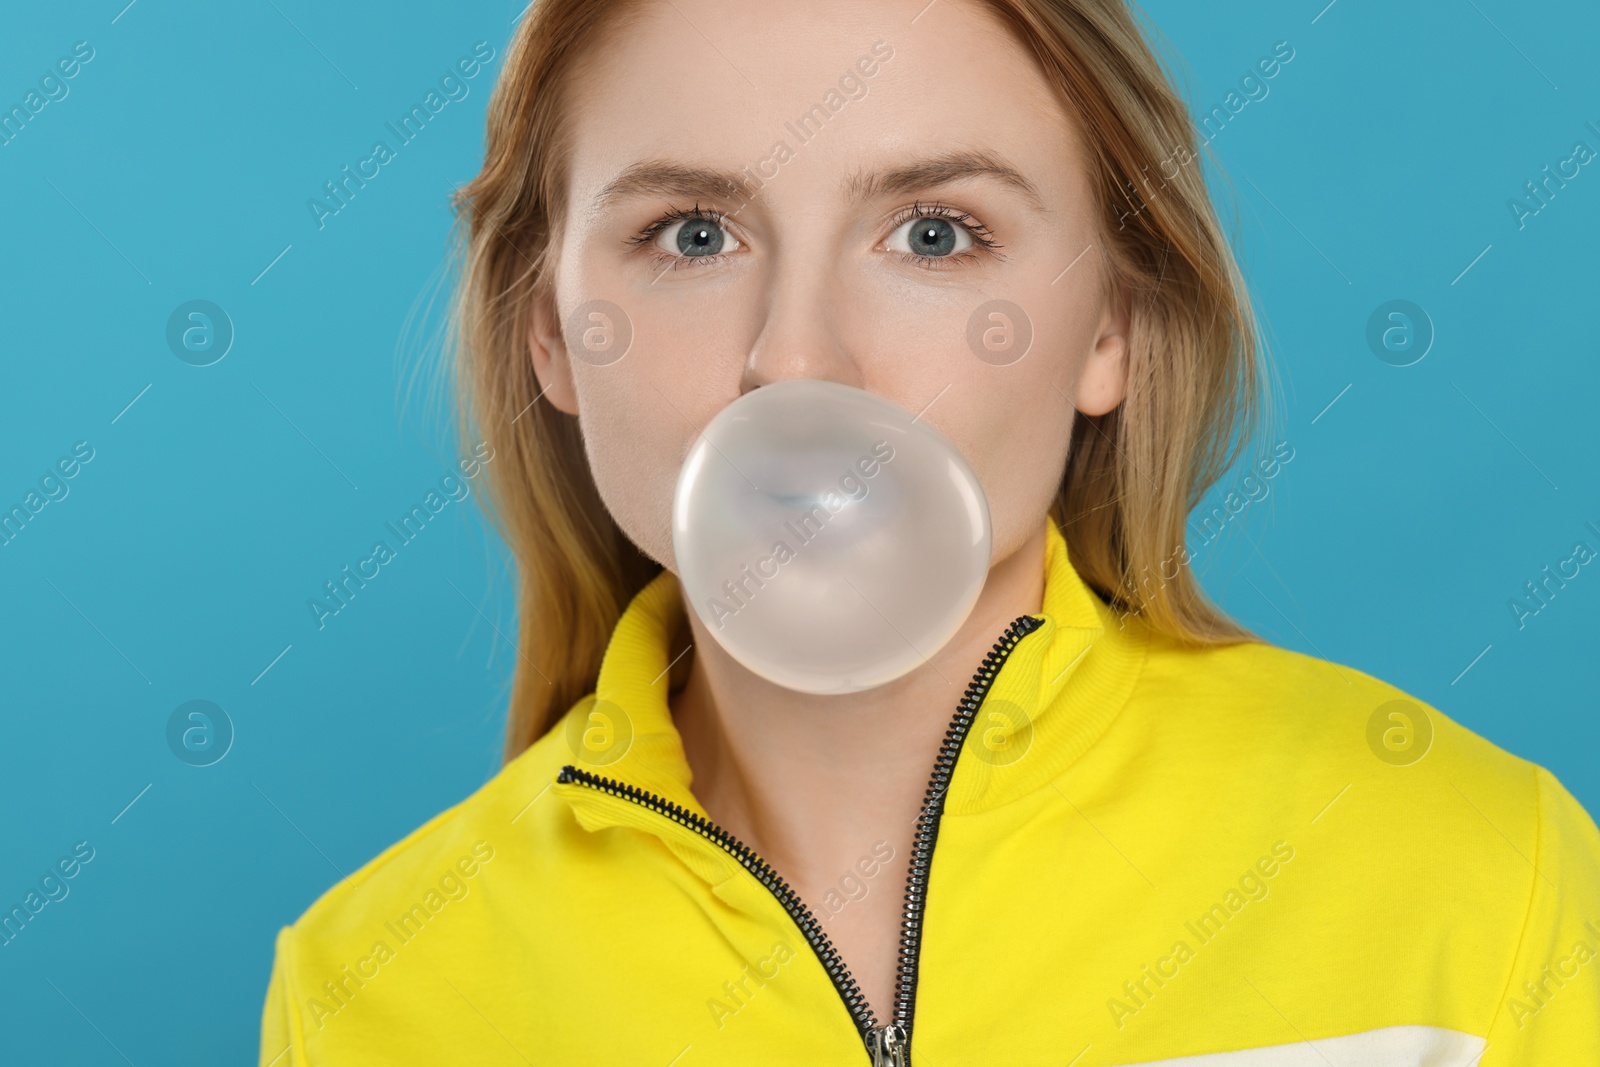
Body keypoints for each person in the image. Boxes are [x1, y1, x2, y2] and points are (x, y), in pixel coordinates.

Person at [259, 0, 1600, 1062]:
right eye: (692, 233)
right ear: (550, 328)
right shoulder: (376, 993)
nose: (798, 359)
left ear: (1112, 325)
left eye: (936, 234)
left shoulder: (1477, 880)